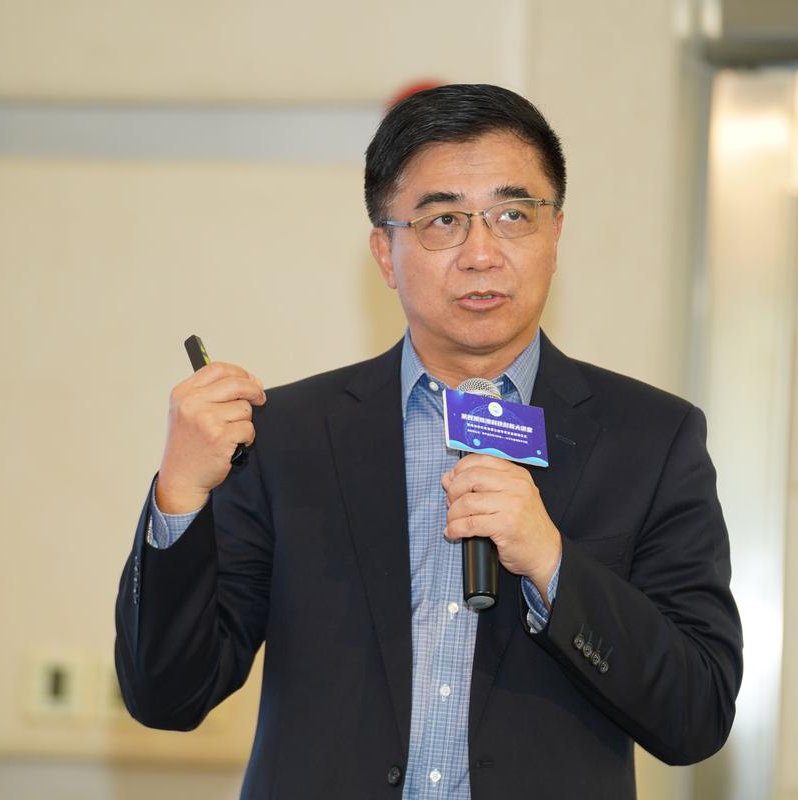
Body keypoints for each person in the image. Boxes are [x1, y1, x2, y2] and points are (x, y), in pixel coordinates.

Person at [114, 84, 742, 799]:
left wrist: (551, 562)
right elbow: (167, 695)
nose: (482, 253)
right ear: (385, 253)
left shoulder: (650, 440)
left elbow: (697, 714)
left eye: (513, 215)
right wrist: (180, 493)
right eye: (443, 220)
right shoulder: (288, 438)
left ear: (556, 235)